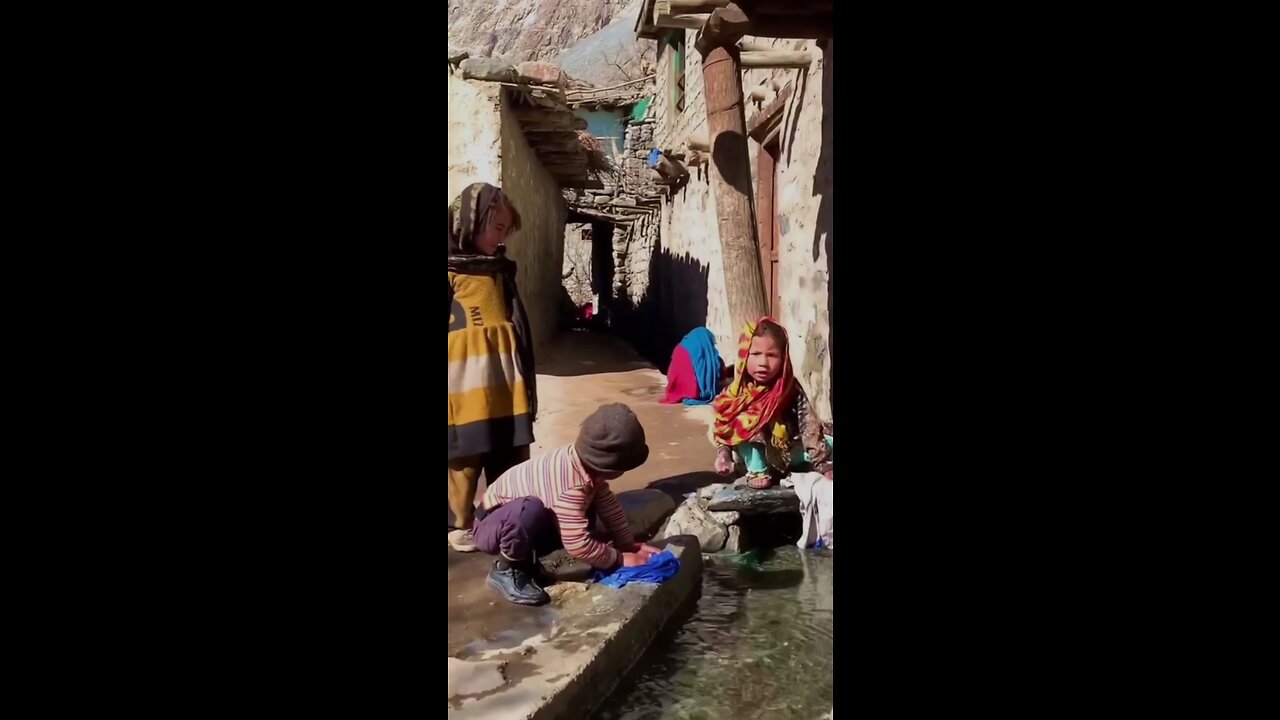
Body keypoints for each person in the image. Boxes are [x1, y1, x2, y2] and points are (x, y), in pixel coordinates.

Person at [473, 403, 663, 606]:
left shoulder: (584, 464)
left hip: (517, 520)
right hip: (491, 524)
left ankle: (530, 556)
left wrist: (626, 546)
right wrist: (618, 559)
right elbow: (577, 543)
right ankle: (506, 569)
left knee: (581, 513)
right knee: (529, 511)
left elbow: (610, 507)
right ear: (611, 467)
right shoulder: (570, 486)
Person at [448, 183, 538, 552]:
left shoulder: (500, 270)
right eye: (496, 228)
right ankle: (460, 523)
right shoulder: (451, 268)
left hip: (504, 375)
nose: (501, 238)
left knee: (508, 445)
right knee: (466, 451)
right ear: (469, 225)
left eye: (505, 230)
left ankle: (504, 514)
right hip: (463, 378)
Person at [711, 317, 833, 489]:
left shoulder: (789, 387)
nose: (763, 363)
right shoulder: (735, 391)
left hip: (787, 453)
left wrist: (824, 464)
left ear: (783, 358)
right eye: (755, 354)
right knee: (749, 423)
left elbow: (808, 426)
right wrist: (724, 455)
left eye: (772, 355)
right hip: (754, 456)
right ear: (744, 355)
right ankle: (757, 470)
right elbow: (722, 429)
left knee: (828, 438)